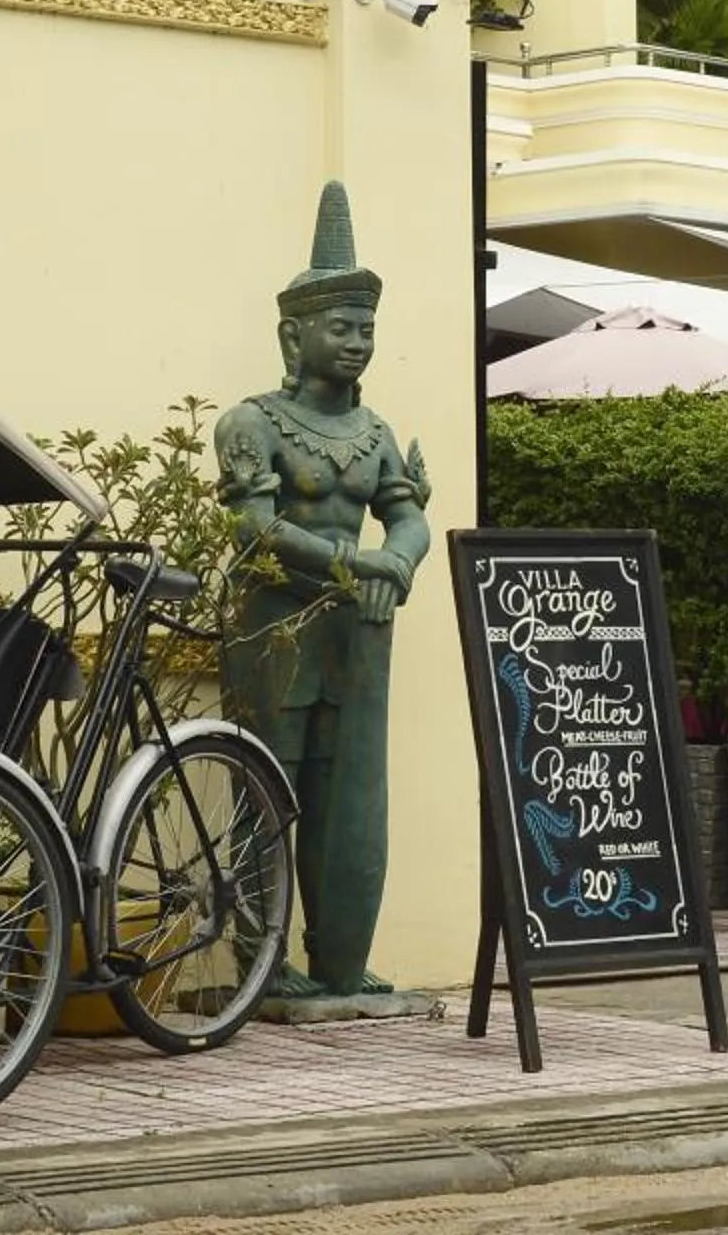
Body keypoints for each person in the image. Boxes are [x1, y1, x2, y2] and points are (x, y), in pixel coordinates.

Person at [216, 181, 431, 998]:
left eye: (366, 331)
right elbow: (254, 531)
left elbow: (404, 519)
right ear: (293, 334)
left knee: (350, 795)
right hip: (273, 630)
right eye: (339, 329)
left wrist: (398, 564)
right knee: (271, 789)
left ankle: (341, 957)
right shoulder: (252, 423)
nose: (355, 345)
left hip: (355, 635)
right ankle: (261, 964)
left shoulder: (376, 435)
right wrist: (357, 567)